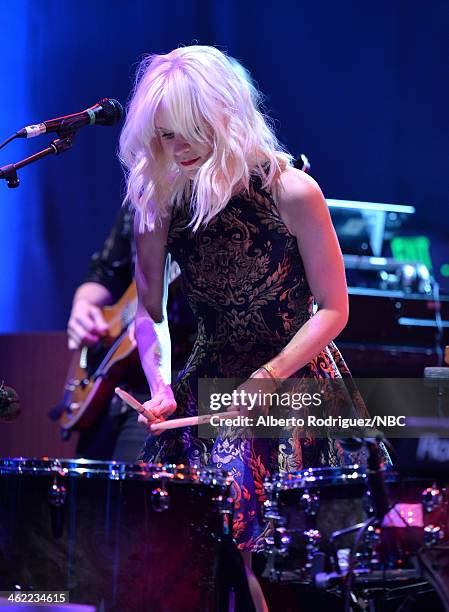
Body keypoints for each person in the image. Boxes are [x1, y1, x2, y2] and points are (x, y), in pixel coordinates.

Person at [119, 45, 373, 609]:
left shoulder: (291, 191)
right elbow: (148, 314)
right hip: (209, 378)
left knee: (272, 555)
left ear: (223, 118)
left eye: (185, 132)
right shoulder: (158, 200)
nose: (174, 149)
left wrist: (268, 376)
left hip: (295, 379)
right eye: (161, 136)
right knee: (188, 543)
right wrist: (159, 385)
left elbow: (334, 308)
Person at [66, 206, 150, 461]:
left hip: (190, 390)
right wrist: (83, 305)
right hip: (116, 383)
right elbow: (105, 270)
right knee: (84, 494)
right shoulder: (145, 189)